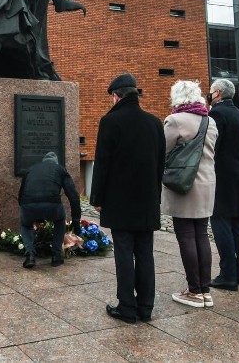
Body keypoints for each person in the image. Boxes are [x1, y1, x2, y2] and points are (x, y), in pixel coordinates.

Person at [90, 73, 165, 324]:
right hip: (147, 201)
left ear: (116, 96)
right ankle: (146, 307)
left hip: (120, 201)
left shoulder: (110, 122)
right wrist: (156, 196)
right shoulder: (154, 123)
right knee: (145, 253)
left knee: (124, 253)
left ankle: (127, 307)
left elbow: (102, 164)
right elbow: (159, 165)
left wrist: (97, 198)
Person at [162, 80, 218, 308]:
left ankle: (194, 290)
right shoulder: (210, 121)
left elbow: (161, 150)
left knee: (185, 235)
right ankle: (205, 290)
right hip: (207, 183)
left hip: (184, 185)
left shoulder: (175, 121)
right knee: (202, 235)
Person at [206, 79, 239, 291]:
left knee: (221, 222)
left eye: (210, 92)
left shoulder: (216, 114)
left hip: (221, 175)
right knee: (238, 225)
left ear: (217, 93)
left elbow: (213, 145)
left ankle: (227, 274)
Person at [18, 151, 81, 269]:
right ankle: (56, 256)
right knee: (60, 220)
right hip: (52, 205)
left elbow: (20, 195)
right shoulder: (60, 169)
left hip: (28, 204)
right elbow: (73, 196)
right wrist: (76, 221)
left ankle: (30, 255)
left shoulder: (30, 169)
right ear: (56, 163)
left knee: (25, 225)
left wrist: (29, 212)